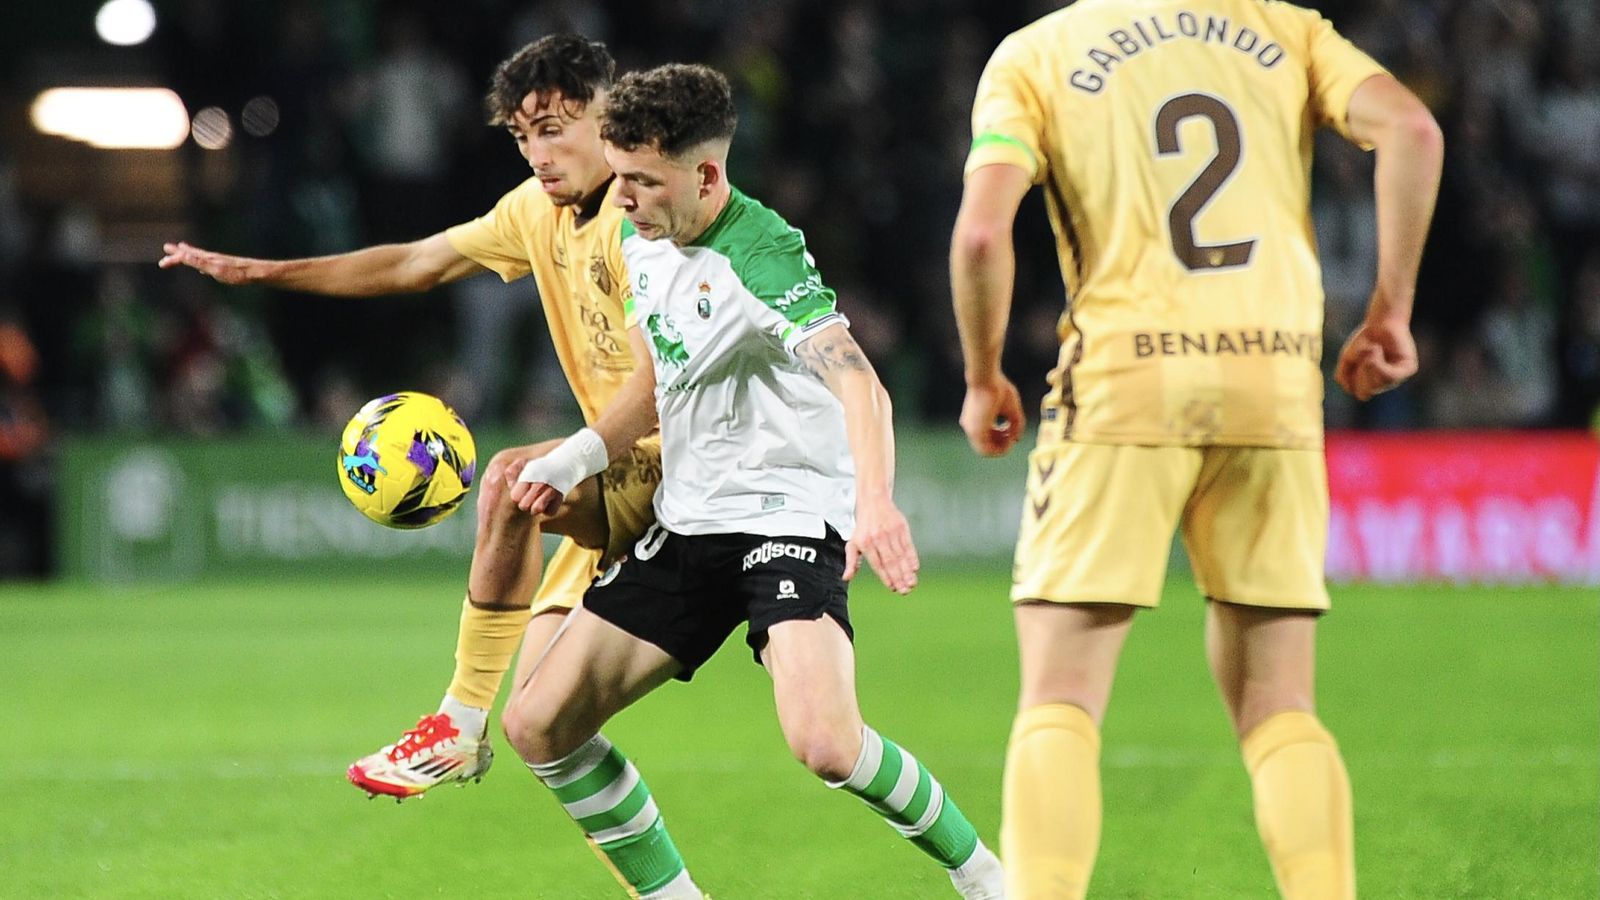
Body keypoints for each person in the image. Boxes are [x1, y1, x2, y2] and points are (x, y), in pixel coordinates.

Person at [948, 3, 1442, 898]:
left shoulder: (1036, 53)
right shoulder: (1286, 30)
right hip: (1276, 387)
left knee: (1061, 697)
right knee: (1281, 709)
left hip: (1122, 388)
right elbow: (1412, 127)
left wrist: (984, 376)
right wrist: (1390, 309)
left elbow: (982, 231)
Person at [502, 63, 1006, 899]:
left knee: (826, 744)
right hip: (689, 522)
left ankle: (986, 876)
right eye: (618, 179)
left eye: (641, 183)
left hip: (787, 518)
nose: (620, 202)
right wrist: (573, 460)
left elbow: (860, 385)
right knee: (537, 724)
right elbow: (655, 383)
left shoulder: (761, 256)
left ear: (705, 174)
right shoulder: (641, 236)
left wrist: (874, 502)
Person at [159, 34, 660, 800]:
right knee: (543, 729)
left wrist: (576, 459)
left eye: (555, 128)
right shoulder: (533, 211)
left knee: (508, 480)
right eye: (524, 136)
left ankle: (457, 722)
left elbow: (663, 385)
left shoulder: (644, 222)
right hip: (610, 467)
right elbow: (413, 263)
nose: (538, 153)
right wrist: (264, 272)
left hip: (680, 462)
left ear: (609, 117)